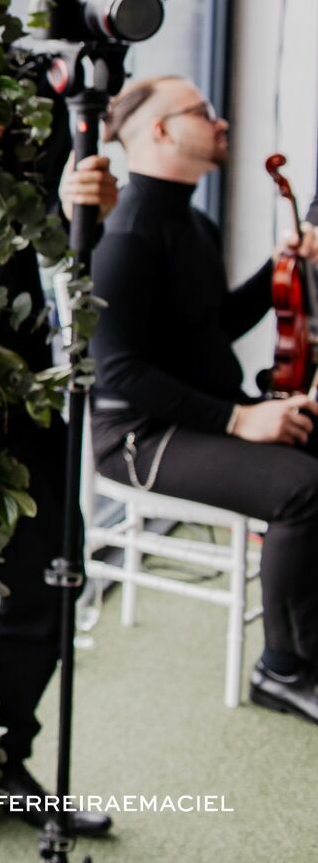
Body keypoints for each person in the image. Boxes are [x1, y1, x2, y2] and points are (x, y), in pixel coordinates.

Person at [89, 74, 318, 725]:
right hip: (138, 437)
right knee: (303, 489)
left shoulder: (194, 222)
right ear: (161, 130)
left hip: (201, 413)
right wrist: (240, 418)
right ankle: (283, 669)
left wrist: (281, 268)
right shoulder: (124, 236)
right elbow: (120, 372)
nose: (221, 123)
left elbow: (210, 324)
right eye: (204, 112)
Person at [0, 98, 118, 836]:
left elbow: (48, 245)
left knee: (56, 571)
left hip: (19, 378)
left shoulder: (33, 86)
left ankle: (0, 760)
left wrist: (85, 215)